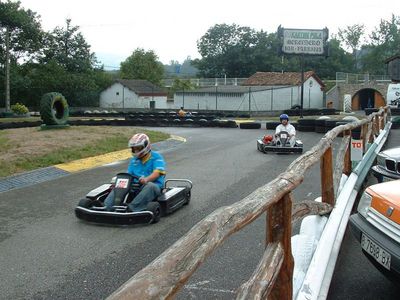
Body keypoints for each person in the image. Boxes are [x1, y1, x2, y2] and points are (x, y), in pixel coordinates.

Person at [104, 133, 166, 212]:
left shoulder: (156, 157)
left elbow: (157, 173)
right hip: (135, 186)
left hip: (154, 186)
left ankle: (132, 209)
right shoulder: (134, 160)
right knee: (121, 183)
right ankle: (108, 206)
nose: (136, 151)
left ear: (146, 146)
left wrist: (146, 179)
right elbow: (129, 175)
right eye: (134, 148)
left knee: (150, 186)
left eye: (138, 148)